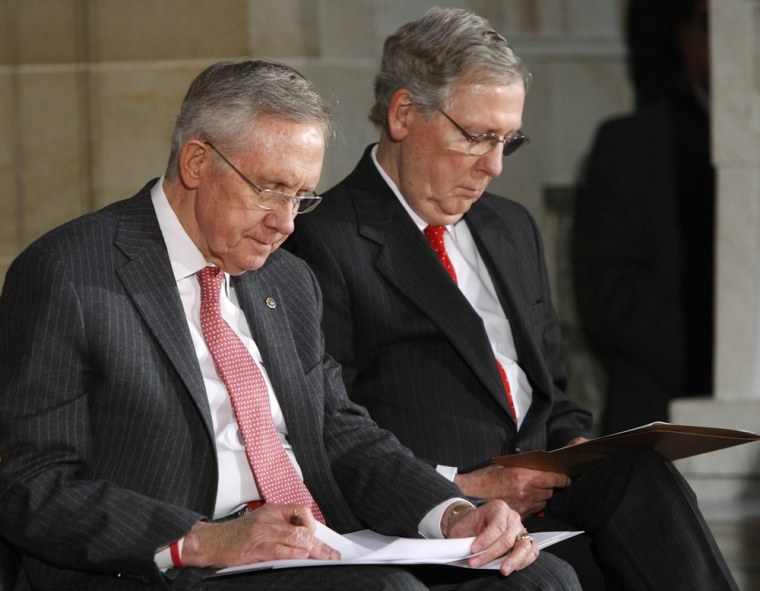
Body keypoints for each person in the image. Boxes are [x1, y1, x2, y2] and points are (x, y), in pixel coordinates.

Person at [0, 60, 582, 590]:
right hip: (175, 567)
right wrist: (202, 539)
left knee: (542, 579)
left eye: (302, 197)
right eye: (270, 190)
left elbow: (339, 432)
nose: (284, 223)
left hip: (321, 545)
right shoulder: (69, 273)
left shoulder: (285, 278)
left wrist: (452, 511)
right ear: (197, 162)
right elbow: (27, 480)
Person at [285, 7, 738, 590]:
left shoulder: (510, 227)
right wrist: (468, 486)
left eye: (508, 141)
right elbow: (324, 432)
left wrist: (577, 446)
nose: (494, 166)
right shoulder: (322, 240)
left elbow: (553, 392)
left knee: (641, 474)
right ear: (403, 114)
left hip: (551, 492)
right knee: (558, 576)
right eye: (476, 137)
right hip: (447, 512)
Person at [572, 0, 714, 434]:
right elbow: (611, 298)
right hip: (660, 417)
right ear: (686, 36)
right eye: (713, 23)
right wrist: (723, 366)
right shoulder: (632, 145)